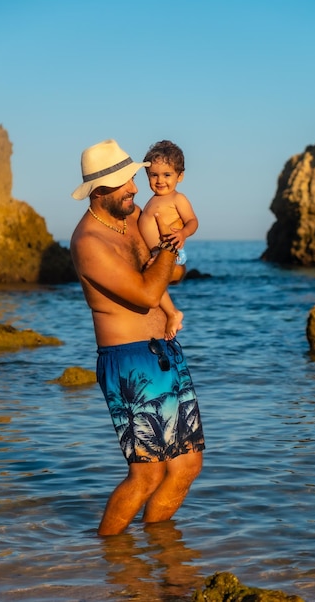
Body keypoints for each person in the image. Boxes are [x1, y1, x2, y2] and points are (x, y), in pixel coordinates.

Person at [70, 139, 205, 536]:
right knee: (146, 476)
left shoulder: (132, 217)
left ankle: (157, 554)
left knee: (187, 467)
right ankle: (110, 556)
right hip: (129, 363)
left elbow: (172, 273)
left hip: (165, 352)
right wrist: (168, 244)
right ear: (99, 192)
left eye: (132, 177)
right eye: (125, 183)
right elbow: (147, 292)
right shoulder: (89, 242)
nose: (135, 188)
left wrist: (171, 250)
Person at [139, 140, 199, 340]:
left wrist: (182, 234)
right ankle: (167, 315)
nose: (159, 180)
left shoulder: (177, 198)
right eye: (153, 175)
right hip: (157, 252)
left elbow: (192, 221)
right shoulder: (152, 200)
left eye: (167, 175)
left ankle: (173, 313)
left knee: (152, 280)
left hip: (170, 251)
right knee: (152, 284)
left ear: (179, 176)